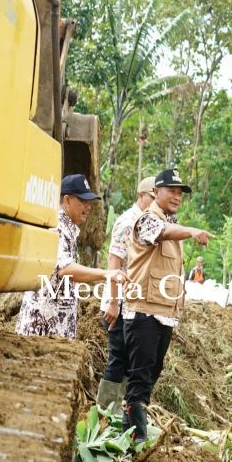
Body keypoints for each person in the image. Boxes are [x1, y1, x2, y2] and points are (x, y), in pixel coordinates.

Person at [122, 169, 214, 442]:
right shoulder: (146, 220)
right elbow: (160, 232)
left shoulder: (170, 222)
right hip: (143, 312)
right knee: (139, 381)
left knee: (148, 379)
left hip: (163, 314)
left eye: (180, 193)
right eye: (171, 190)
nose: (177, 196)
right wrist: (191, 231)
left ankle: (130, 435)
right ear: (156, 193)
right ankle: (134, 441)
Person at [17, 174, 127, 339]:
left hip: (56, 324)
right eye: (83, 201)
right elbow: (65, 269)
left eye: (89, 201)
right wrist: (106, 274)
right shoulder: (57, 227)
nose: (88, 206)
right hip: (43, 326)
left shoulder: (69, 229)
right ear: (67, 200)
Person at [95, 176, 155, 414]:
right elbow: (114, 262)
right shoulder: (127, 222)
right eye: (152, 197)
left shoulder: (149, 222)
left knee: (132, 361)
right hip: (119, 301)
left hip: (136, 303)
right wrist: (113, 302)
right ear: (141, 195)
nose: (154, 202)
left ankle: (119, 410)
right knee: (118, 358)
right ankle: (103, 411)